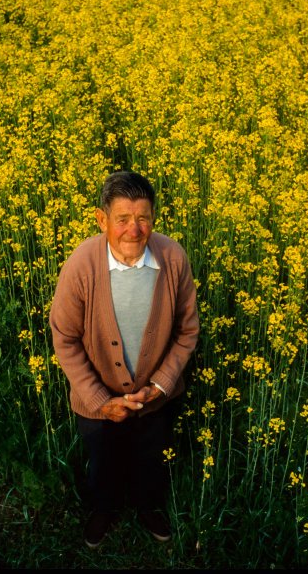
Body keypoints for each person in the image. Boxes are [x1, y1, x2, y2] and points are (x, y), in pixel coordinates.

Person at [49, 171, 199, 548]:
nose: (135, 229)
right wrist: (102, 401)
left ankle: (149, 506)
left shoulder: (173, 258)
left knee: (152, 457)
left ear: (154, 218)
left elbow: (187, 332)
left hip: (157, 398)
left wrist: (159, 386)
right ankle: (104, 508)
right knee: (103, 460)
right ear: (102, 220)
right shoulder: (82, 264)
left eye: (144, 217)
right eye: (123, 219)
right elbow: (64, 339)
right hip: (97, 402)